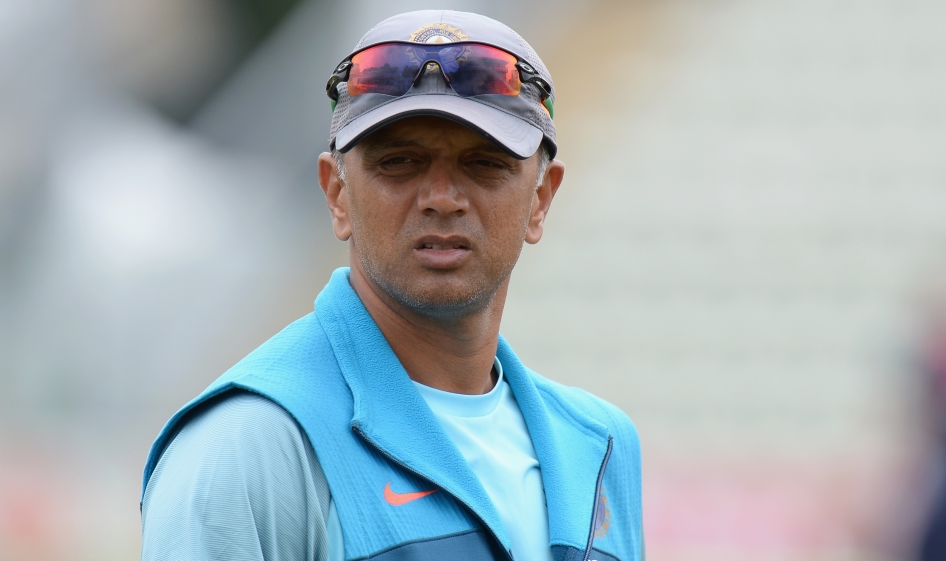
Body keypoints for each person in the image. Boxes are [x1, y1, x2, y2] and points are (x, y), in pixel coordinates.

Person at [140, 10, 644, 561]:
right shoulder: (247, 447)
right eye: (400, 162)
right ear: (337, 194)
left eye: (484, 163)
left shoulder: (600, 445)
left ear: (541, 199)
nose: (442, 198)